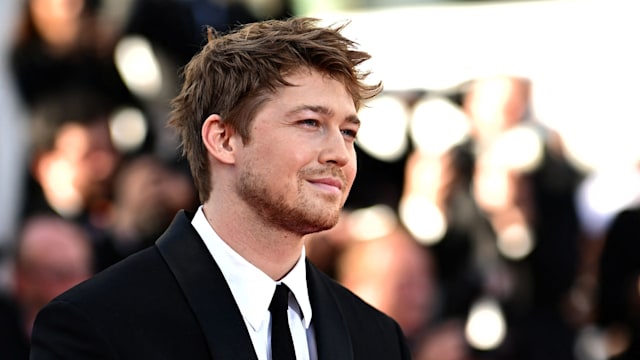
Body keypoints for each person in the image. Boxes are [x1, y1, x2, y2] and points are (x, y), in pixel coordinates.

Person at [30, 17, 411, 359]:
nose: (340, 154)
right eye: (311, 123)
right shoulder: (95, 327)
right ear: (224, 139)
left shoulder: (377, 339)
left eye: (348, 132)